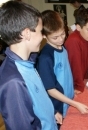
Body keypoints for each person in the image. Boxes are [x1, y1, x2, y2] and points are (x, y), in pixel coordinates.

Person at [0, 1, 57, 129]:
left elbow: (38, 100)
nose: (43, 37)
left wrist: (52, 113)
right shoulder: (13, 82)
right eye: (40, 31)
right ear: (26, 33)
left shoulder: (29, 61)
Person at [36, 10, 88, 129]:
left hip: (69, 101)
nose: (61, 39)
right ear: (44, 35)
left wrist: (72, 89)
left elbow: (66, 74)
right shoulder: (45, 57)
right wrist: (75, 104)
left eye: (62, 34)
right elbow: (50, 90)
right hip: (57, 107)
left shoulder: (63, 48)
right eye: (55, 37)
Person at [65, 9, 88, 94]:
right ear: (78, 27)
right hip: (75, 85)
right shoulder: (74, 41)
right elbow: (75, 66)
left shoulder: (87, 37)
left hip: (83, 80)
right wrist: (79, 86)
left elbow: (87, 61)